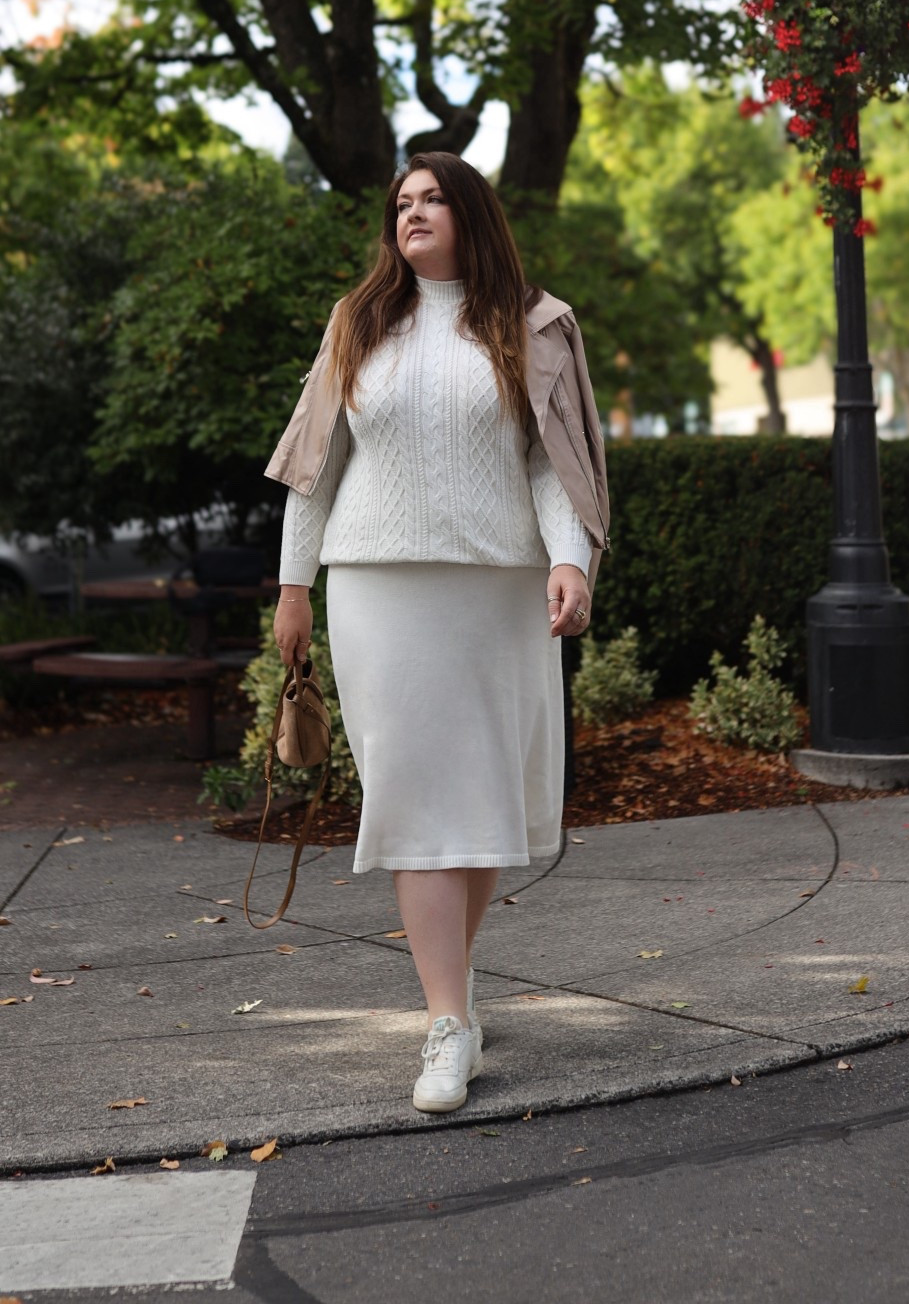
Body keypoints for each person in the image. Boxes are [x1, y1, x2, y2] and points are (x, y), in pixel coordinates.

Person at [265, 152, 609, 1112]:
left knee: (480, 803)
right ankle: (448, 1022)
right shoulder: (356, 322)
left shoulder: (534, 324)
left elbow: (551, 465)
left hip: (498, 593)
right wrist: (292, 589)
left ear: (470, 215)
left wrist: (570, 561)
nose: (411, 212)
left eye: (431, 199)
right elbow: (315, 468)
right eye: (401, 202)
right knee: (416, 801)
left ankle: (449, 997)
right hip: (378, 590)